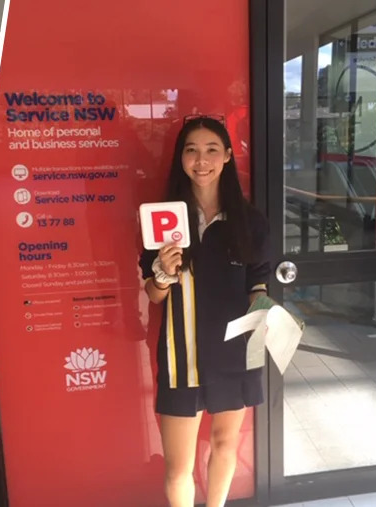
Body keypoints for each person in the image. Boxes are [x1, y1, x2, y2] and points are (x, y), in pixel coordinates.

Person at [139, 116, 270, 507]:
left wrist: (264, 309)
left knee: (225, 444)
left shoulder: (249, 221)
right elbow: (154, 295)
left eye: (212, 150)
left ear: (227, 155)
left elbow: (257, 283)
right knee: (178, 469)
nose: (202, 160)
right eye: (192, 150)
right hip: (183, 355)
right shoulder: (163, 219)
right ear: (181, 158)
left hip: (236, 350)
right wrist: (164, 272)